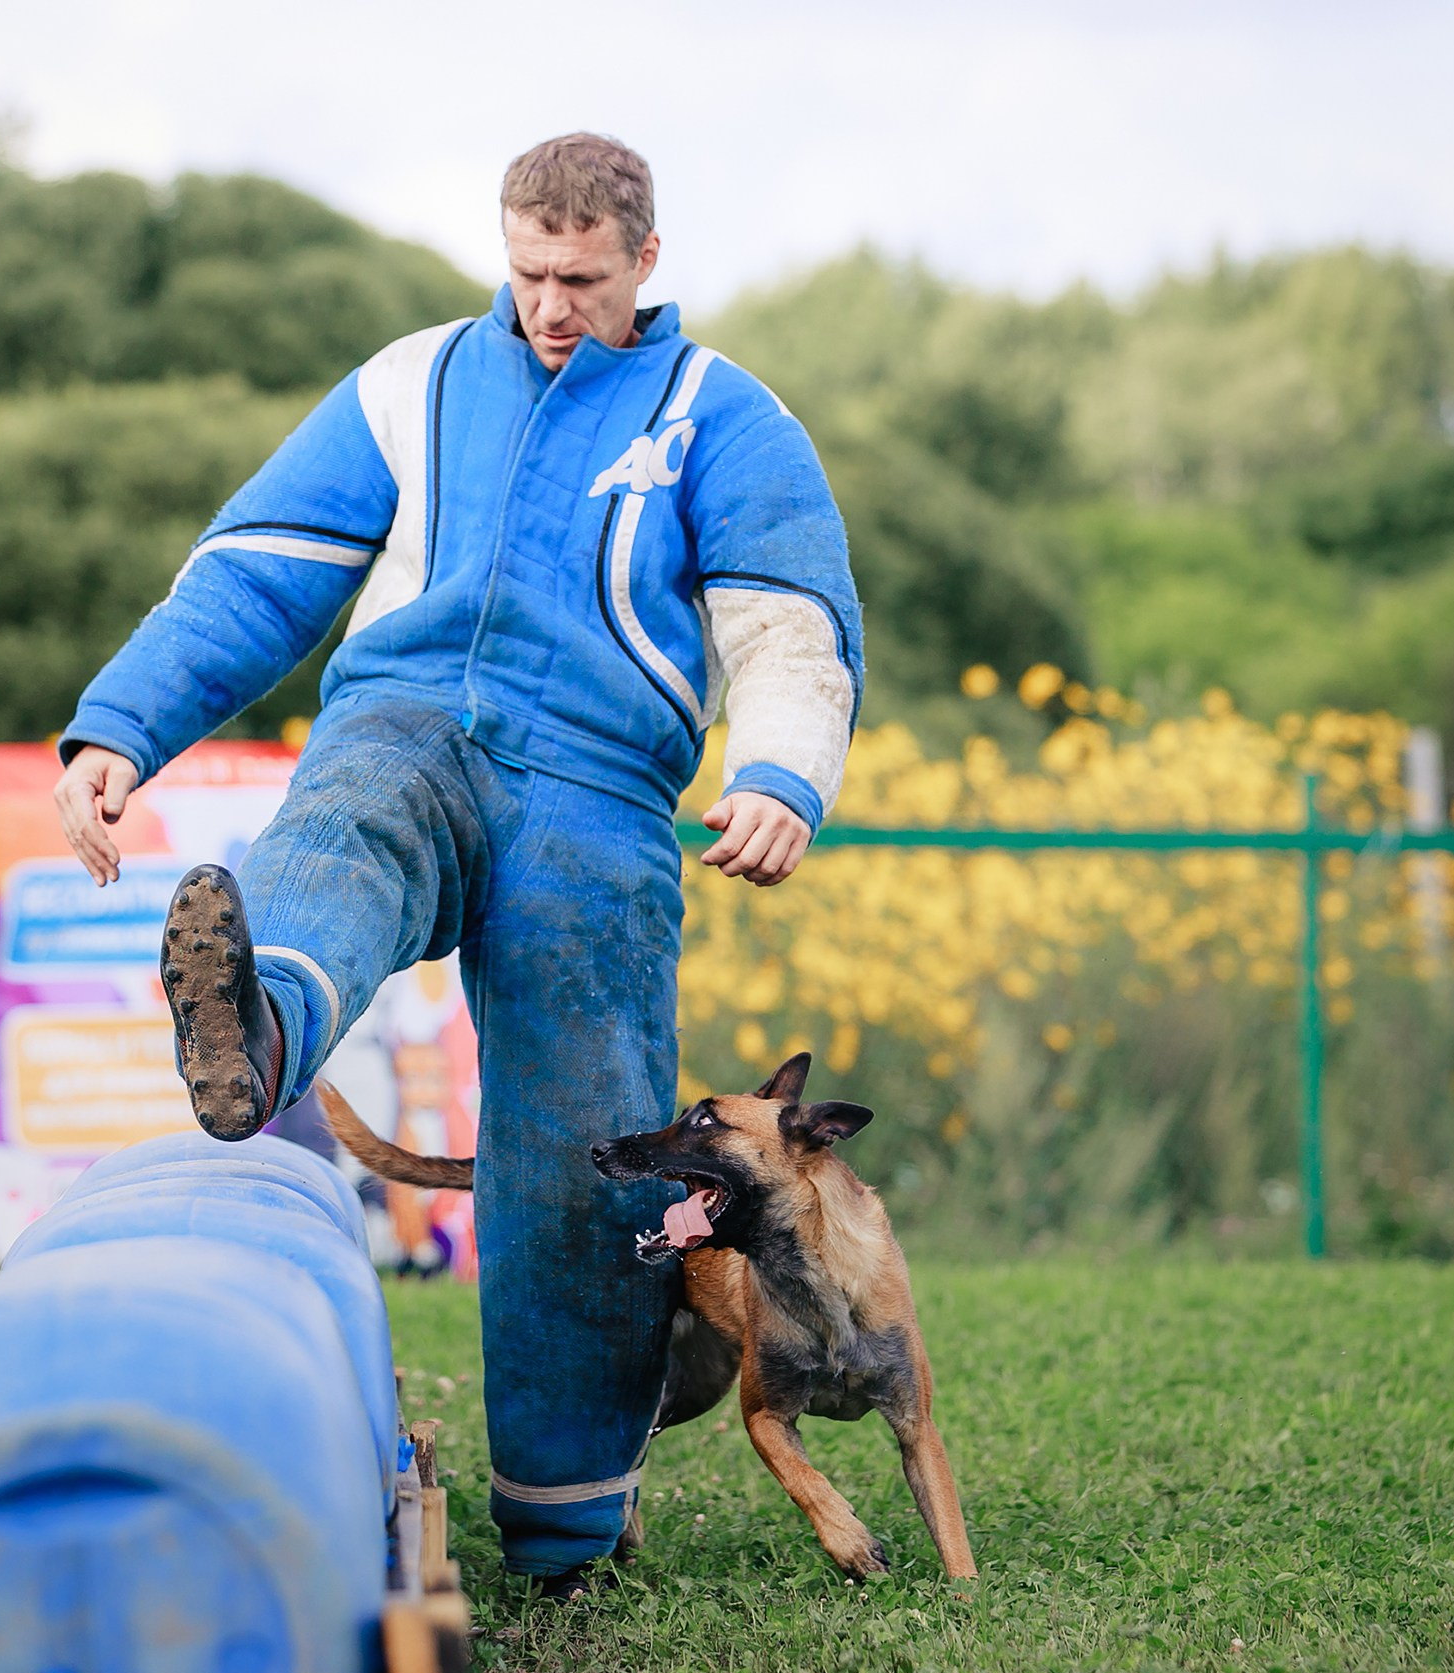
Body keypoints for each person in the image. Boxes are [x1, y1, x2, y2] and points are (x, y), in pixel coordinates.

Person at [51, 132, 863, 1595]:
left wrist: (781, 775)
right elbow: (254, 570)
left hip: (603, 801)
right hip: (408, 719)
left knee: (583, 1150)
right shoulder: (409, 381)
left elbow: (788, 622)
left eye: (582, 278)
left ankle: (563, 1518)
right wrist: (117, 729)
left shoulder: (725, 419)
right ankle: (257, 1023)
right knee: (339, 826)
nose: (550, 304)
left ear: (645, 262)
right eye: (528, 271)